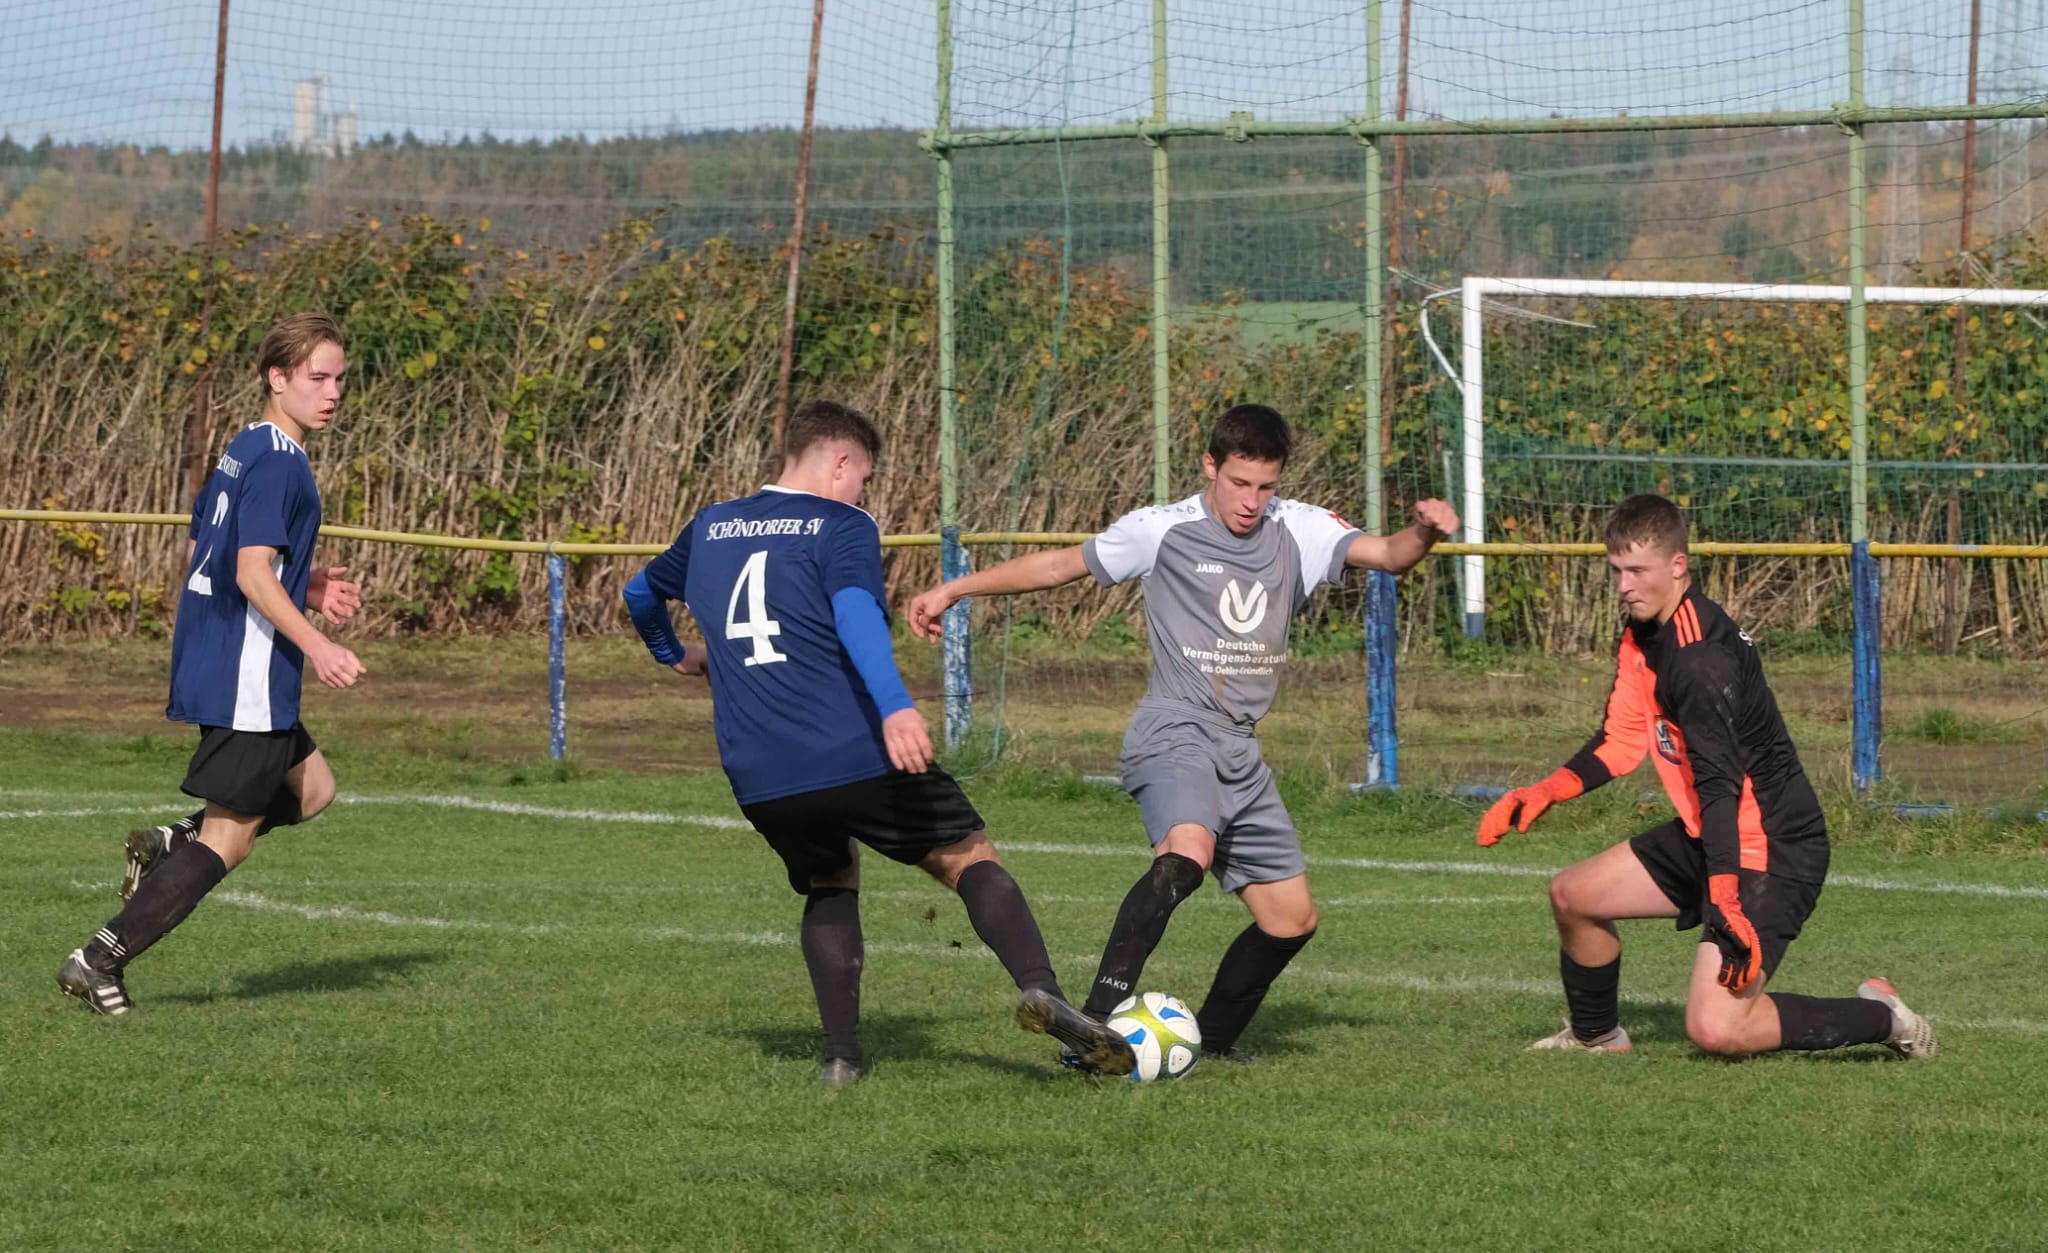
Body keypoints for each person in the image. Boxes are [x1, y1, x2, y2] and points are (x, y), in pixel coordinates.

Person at [908, 404, 1458, 1064]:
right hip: (1174, 728)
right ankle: (1091, 1024)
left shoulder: (1302, 528)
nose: (1252, 501)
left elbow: (1391, 555)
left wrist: (1424, 531)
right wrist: (955, 589)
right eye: (1239, 483)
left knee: (1291, 918)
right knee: (1187, 853)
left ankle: (1213, 1044)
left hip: (1241, 748)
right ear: (1210, 467)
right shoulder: (1161, 529)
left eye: (1266, 486)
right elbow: (1058, 567)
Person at [623, 399, 1135, 1086]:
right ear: (840, 462)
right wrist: (896, 707)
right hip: (851, 748)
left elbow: (639, 593)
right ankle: (1044, 991)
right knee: (967, 855)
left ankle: (841, 1058)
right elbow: (856, 612)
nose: (864, 493)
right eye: (864, 477)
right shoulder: (843, 523)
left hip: (758, 770)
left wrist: (674, 655)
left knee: (830, 879)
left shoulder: (710, 524)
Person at [1475, 493, 1935, 1060]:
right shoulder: (1644, 633)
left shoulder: (1700, 659)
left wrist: (1724, 894)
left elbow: (1720, 783)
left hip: (1772, 847)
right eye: (1616, 571)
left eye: (1637, 570)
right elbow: (1621, 741)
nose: (1624, 586)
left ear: (1678, 565)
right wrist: (1548, 790)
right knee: (1574, 896)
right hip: (1714, 833)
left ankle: (1885, 1017)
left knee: (1719, 1031)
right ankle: (1596, 1036)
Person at [60, 312, 365, 1015]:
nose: (332, 393)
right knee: (232, 838)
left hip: (216, 658)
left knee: (314, 788)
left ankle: (173, 838)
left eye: (339, 379)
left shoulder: (246, 445)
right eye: (317, 378)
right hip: (247, 676)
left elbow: (209, 543)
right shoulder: (282, 462)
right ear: (277, 378)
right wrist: (318, 643)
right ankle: (98, 958)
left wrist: (307, 584)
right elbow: (253, 572)